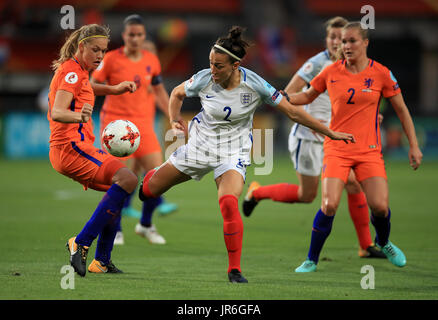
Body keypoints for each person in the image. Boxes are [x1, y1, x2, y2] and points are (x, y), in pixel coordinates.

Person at [138, 26, 354, 283]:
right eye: (210, 64)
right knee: (147, 191)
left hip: (233, 151)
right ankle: (145, 188)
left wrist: (329, 132)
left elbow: (293, 112)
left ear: (235, 65)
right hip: (200, 147)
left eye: (218, 66)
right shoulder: (204, 78)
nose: (213, 70)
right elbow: (176, 94)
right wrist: (174, 120)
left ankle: (234, 270)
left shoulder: (256, 85)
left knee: (228, 203)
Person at [283, 21, 423, 272]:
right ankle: (311, 259)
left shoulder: (381, 73)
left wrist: (413, 146)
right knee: (329, 204)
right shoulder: (330, 71)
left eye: (351, 41)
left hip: (368, 150)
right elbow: (306, 96)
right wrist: (281, 97)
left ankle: (384, 242)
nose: (345, 46)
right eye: (343, 42)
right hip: (337, 149)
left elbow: (402, 111)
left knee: (380, 207)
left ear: (365, 43)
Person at [242, 17, 385, 259]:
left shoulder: (354, 67)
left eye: (342, 38)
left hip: (335, 139)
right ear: (327, 40)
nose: (337, 42)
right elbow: (287, 94)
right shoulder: (316, 64)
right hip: (308, 139)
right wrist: (313, 122)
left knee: (354, 184)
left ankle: (365, 245)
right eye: (332, 37)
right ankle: (257, 192)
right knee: (306, 196)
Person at [48, 24, 139, 276]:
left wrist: (113, 88)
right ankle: (81, 242)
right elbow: (58, 111)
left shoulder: (79, 71)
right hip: (70, 147)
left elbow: (86, 89)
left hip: (76, 147)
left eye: (104, 51)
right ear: (81, 46)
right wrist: (79, 116)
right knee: (127, 178)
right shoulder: (72, 73)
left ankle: (101, 261)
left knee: (120, 188)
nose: (100, 56)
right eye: (95, 50)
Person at [91, 15, 175, 246]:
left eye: (139, 35)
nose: (135, 38)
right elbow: (91, 85)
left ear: (144, 36)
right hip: (117, 127)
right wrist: (114, 89)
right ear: (124, 36)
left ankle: (145, 224)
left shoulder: (151, 60)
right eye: (131, 34)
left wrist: (172, 115)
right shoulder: (109, 60)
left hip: (143, 126)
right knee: (120, 181)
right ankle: (115, 230)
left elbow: (158, 91)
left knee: (157, 177)